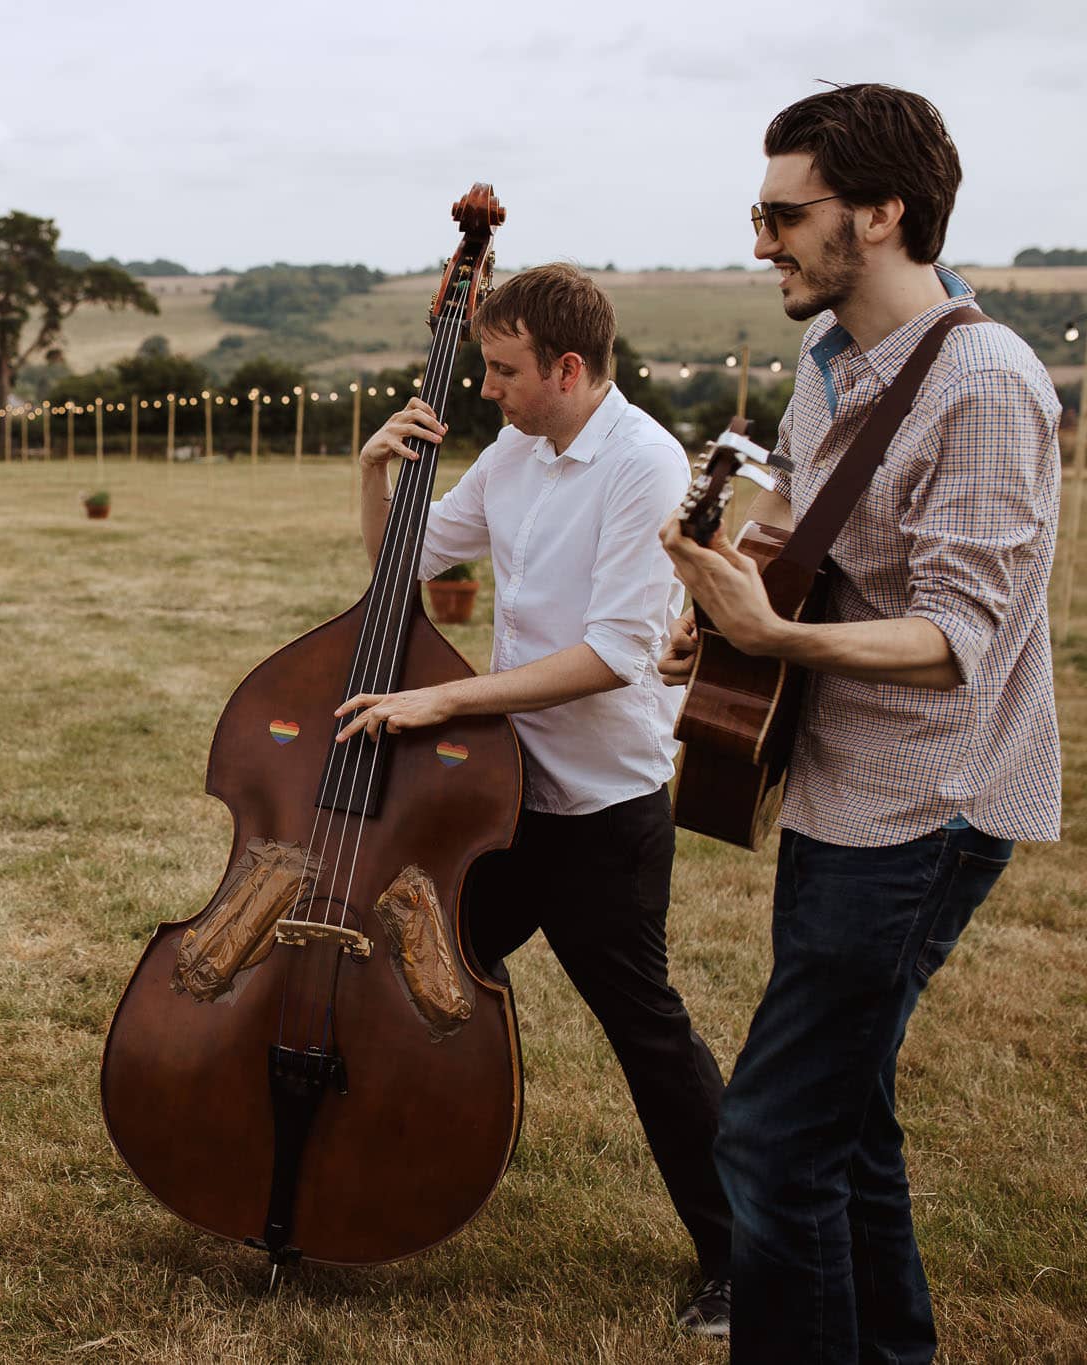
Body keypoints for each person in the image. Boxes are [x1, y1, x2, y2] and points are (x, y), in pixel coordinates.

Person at [660, 83, 1061, 1364]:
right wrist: (731, 621)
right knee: (844, 1118)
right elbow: (828, 568)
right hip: (840, 788)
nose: (762, 239)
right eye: (759, 213)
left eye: (785, 214)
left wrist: (775, 639)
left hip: (926, 807)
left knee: (769, 1136)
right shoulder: (827, 364)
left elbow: (954, 638)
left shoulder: (986, 382)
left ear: (880, 214)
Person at [343, 263, 732, 1336]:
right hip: (505, 797)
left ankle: (741, 1257)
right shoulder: (517, 449)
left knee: (643, 1030)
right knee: (418, 969)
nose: (486, 389)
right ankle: (409, 1162)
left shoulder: (644, 467)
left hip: (602, 808)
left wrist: (442, 700)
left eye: (503, 370)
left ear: (567, 368)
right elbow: (402, 566)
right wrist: (372, 473)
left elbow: (612, 652)